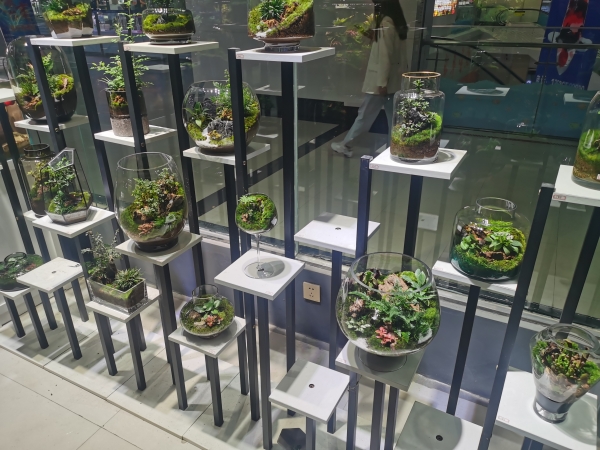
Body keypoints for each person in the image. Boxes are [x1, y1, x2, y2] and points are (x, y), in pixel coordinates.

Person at [331, 0, 409, 157]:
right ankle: (396, 149)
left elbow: (385, 57)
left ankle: (347, 145)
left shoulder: (386, 24)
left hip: (382, 82)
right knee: (394, 118)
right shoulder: (396, 23)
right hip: (393, 81)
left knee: (365, 115)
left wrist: (381, 83)